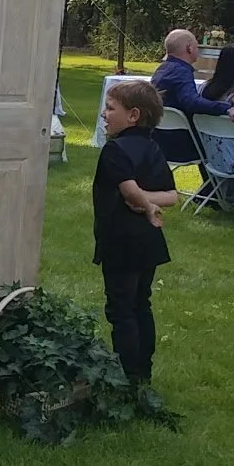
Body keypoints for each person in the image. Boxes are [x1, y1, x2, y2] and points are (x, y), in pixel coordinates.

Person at [93, 80, 178, 386]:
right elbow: (170, 195)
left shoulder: (114, 150)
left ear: (133, 115)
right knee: (141, 303)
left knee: (121, 310)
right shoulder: (152, 147)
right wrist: (149, 202)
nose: (104, 114)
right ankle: (144, 373)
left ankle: (128, 376)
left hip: (122, 242)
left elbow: (129, 191)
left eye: (110, 108)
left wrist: (143, 202)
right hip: (148, 243)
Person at [153, 30, 234, 125]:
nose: (198, 50)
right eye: (196, 46)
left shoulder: (162, 69)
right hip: (178, 133)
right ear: (189, 48)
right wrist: (227, 108)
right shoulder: (181, 71)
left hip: (160, 128)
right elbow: (191, 102)